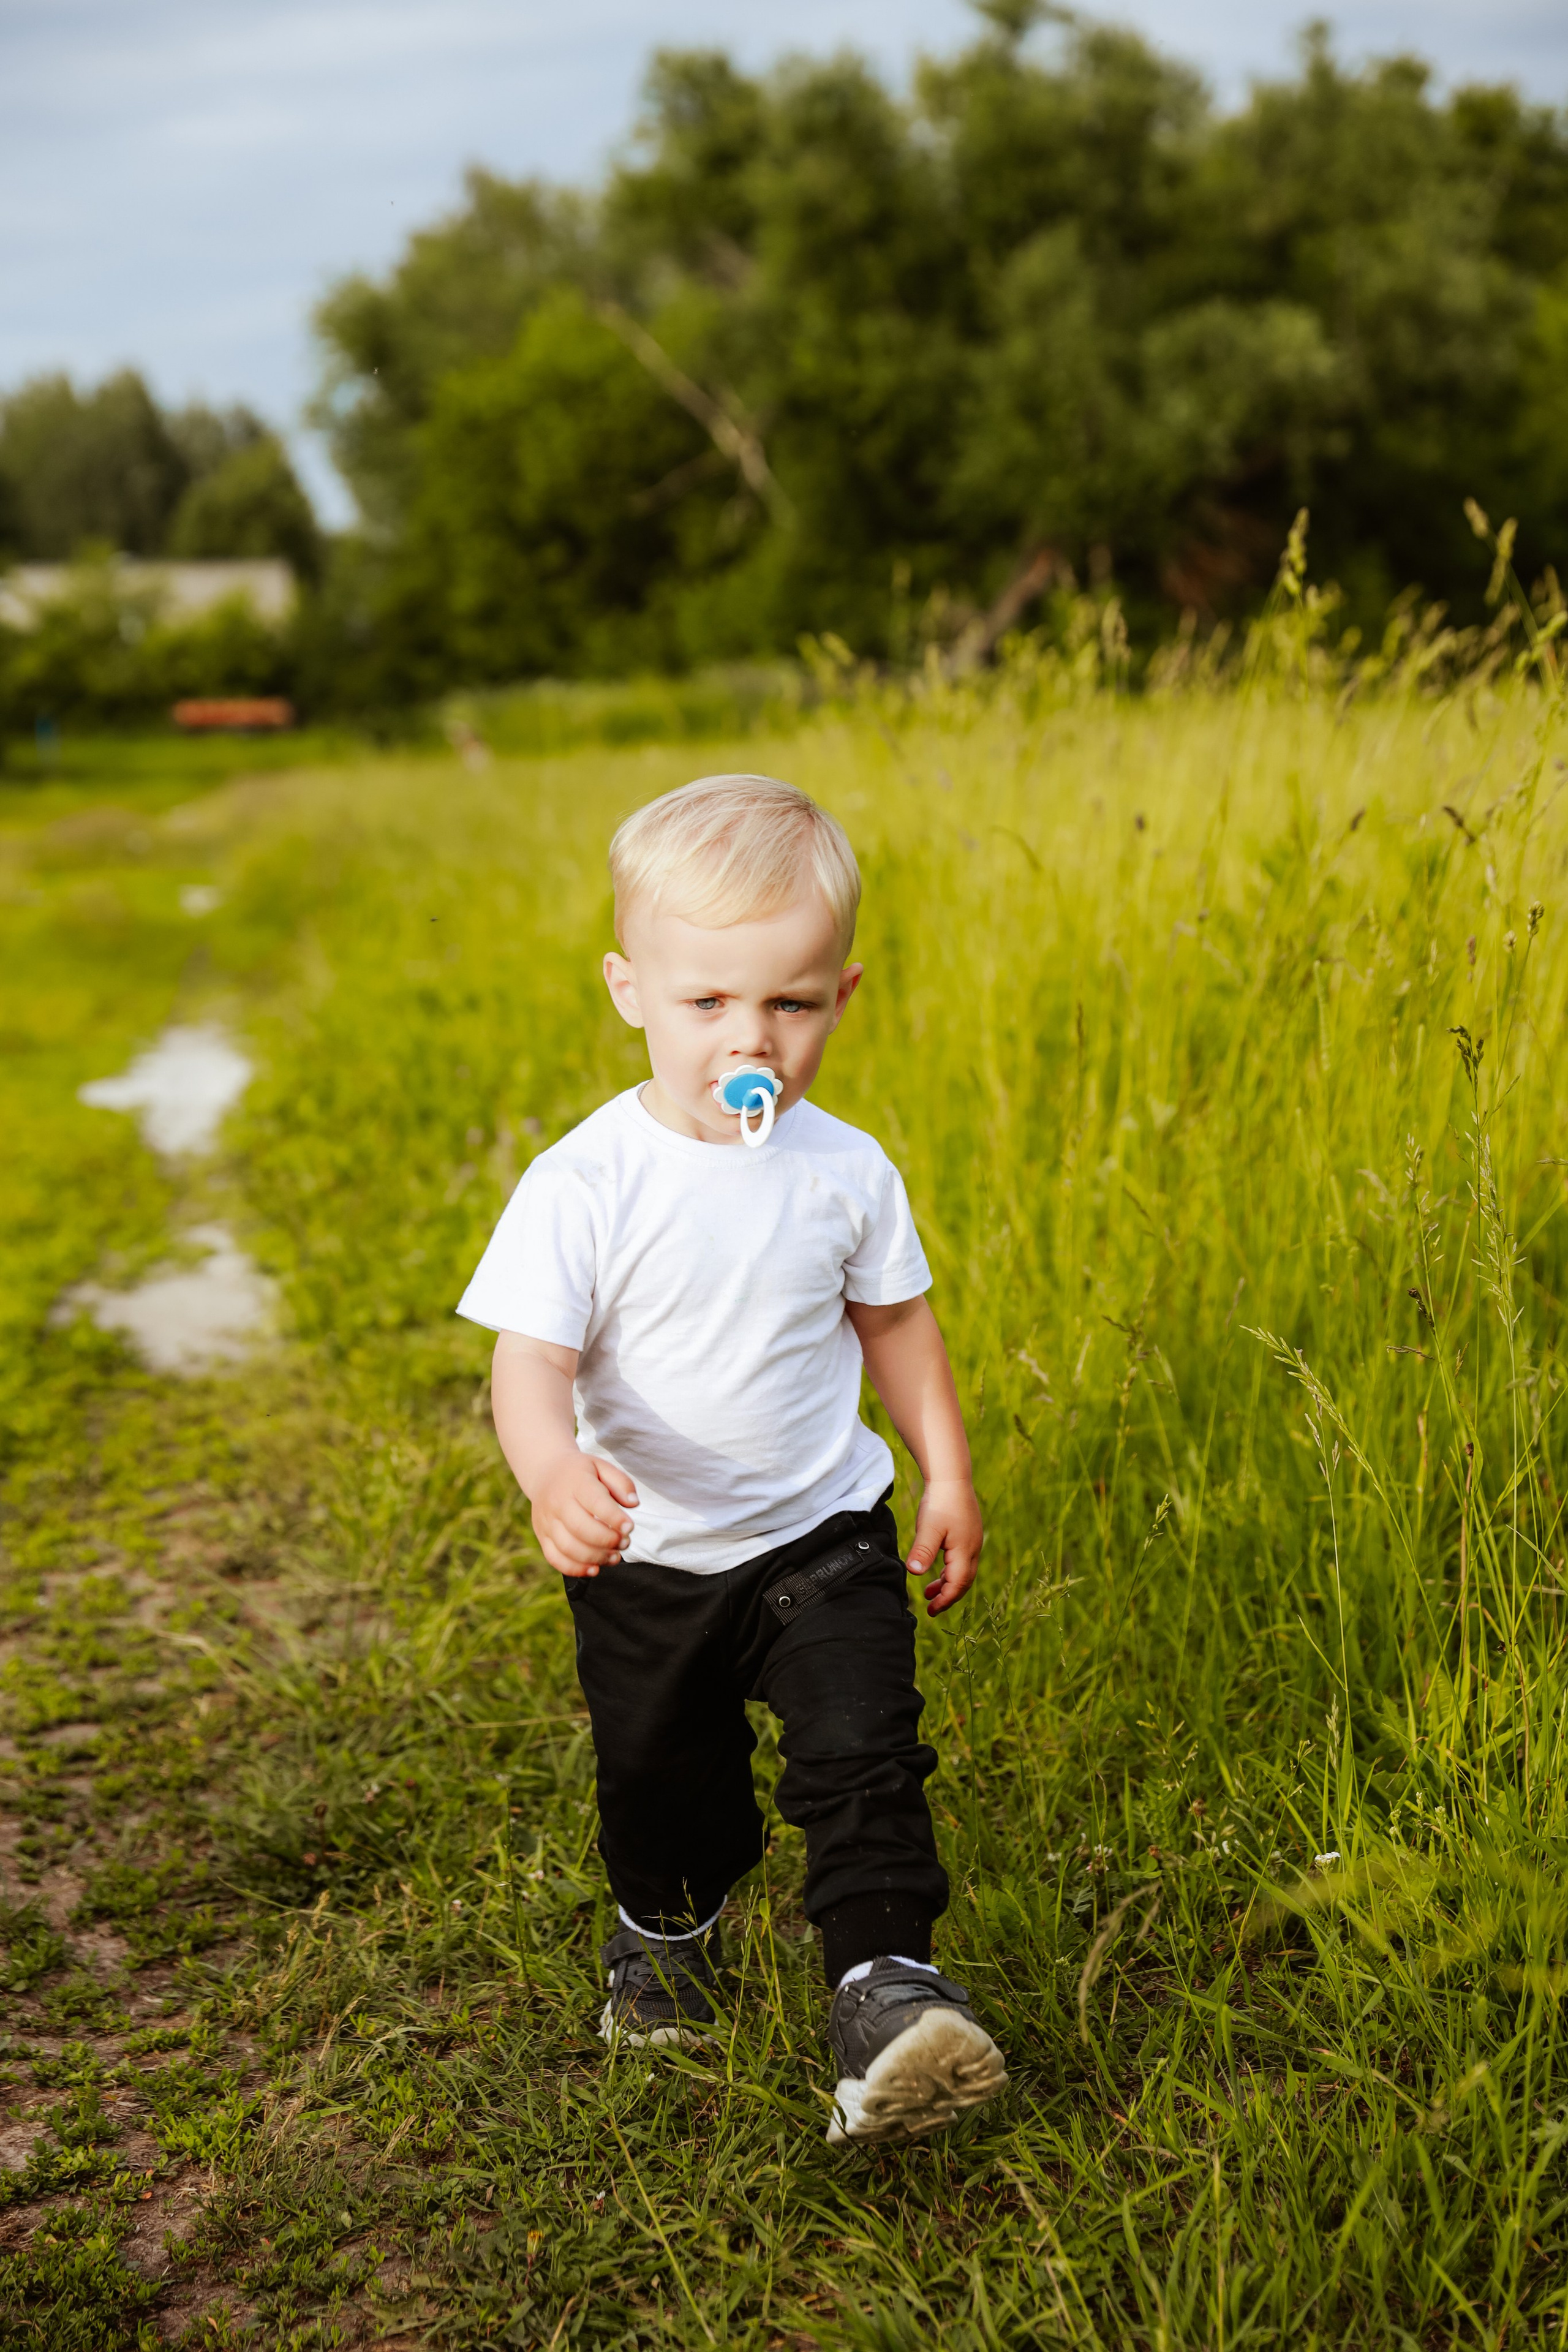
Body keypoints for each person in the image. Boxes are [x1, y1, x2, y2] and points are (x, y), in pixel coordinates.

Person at [456, 773, 1005, 2141]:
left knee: (861, 1751)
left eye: (789, 1002)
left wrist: (941, 1468)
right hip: (652, 1556)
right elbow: (528, 1361)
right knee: (665, 1783)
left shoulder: (843, 1169)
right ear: (629, 987)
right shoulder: (585, 1183)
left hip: (823, 1532)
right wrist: (548, 1474)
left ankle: (886, 1994)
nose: (747, 1037)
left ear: (841, 993)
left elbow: (895, 1322)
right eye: (706, 1002)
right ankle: (663, 1927)